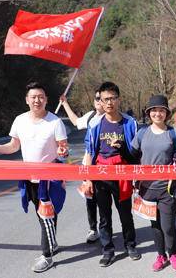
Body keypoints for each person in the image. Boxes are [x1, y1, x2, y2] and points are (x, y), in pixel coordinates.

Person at [0, 82, 68, 273]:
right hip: (29, 177)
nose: (37, 100)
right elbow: (13, 146)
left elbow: (63, 151)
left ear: (46, 100)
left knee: (47, 215)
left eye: (41, 97)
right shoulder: (20, 120)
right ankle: (51, 243)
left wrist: (63, 153)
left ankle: (47, 255)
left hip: (51, 177)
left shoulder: (55, 122)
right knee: (42, 215)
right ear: (27, 100)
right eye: (33, 97)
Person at [130, 95, 176, 272]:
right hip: (147, 188)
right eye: (154, 110)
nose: (158, 113)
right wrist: (119, 148)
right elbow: (132, 157)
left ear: (166, 113)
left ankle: (172, 254)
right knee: (155, 225)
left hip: (167, 188)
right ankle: (161, 256)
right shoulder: (142, 133)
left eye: (161, 110)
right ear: (149, 113)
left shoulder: (172, 133)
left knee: (168, 226)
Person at [83, 81, 140, 267]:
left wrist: (124, 150)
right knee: (104, 215)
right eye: (105, 99)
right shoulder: (95, 124)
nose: (109, 103)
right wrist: (88, 179)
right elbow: (90, 153)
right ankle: (107, 250)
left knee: (125, 213)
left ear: (119, 99)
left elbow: (136, 154)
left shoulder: (130, 123)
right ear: (100, 100)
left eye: (113, 98)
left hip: (122, 173)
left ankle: (130, 245)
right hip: (101, 174)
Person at [60, 89, 105, 243]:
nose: (99, 100)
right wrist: (65, 103)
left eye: (102, 98)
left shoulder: (111, 118)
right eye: (97, 97)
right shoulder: (91, 116)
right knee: (90, 197)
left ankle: (107, 230)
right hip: (88, 163)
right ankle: (93, 229)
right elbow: (75, 121)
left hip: (105, 165)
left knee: (105, 199)